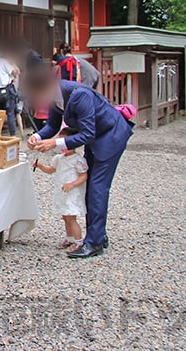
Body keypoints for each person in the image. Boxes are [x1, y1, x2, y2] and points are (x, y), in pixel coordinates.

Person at [25, 62, 133, 259]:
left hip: (110, 137)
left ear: (45, 87)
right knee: (90, 188)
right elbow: (52, 125)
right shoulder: (55, 96)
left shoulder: (78, 95)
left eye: (35, 95)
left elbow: (88, 134)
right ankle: (98, 234)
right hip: (97, 137)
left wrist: (55, 143)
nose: (36, 100)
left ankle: (94, 242)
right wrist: (38, 137)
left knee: (97, 188)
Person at [32, 127, 88, 253]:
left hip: (72, 191)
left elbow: (83, 175)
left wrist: (72, 184)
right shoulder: (59, 158)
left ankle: (79, 241)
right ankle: (70, 238)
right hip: (62, 190)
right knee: (65, 216)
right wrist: (40, 165)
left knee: (71, 217)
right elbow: (51, 170)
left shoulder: (78, 160)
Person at [0, 46, 19, 136]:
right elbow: (14, 72)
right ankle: (12, 135)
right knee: (10, 113)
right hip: (7, 89)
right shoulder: (3, 62)